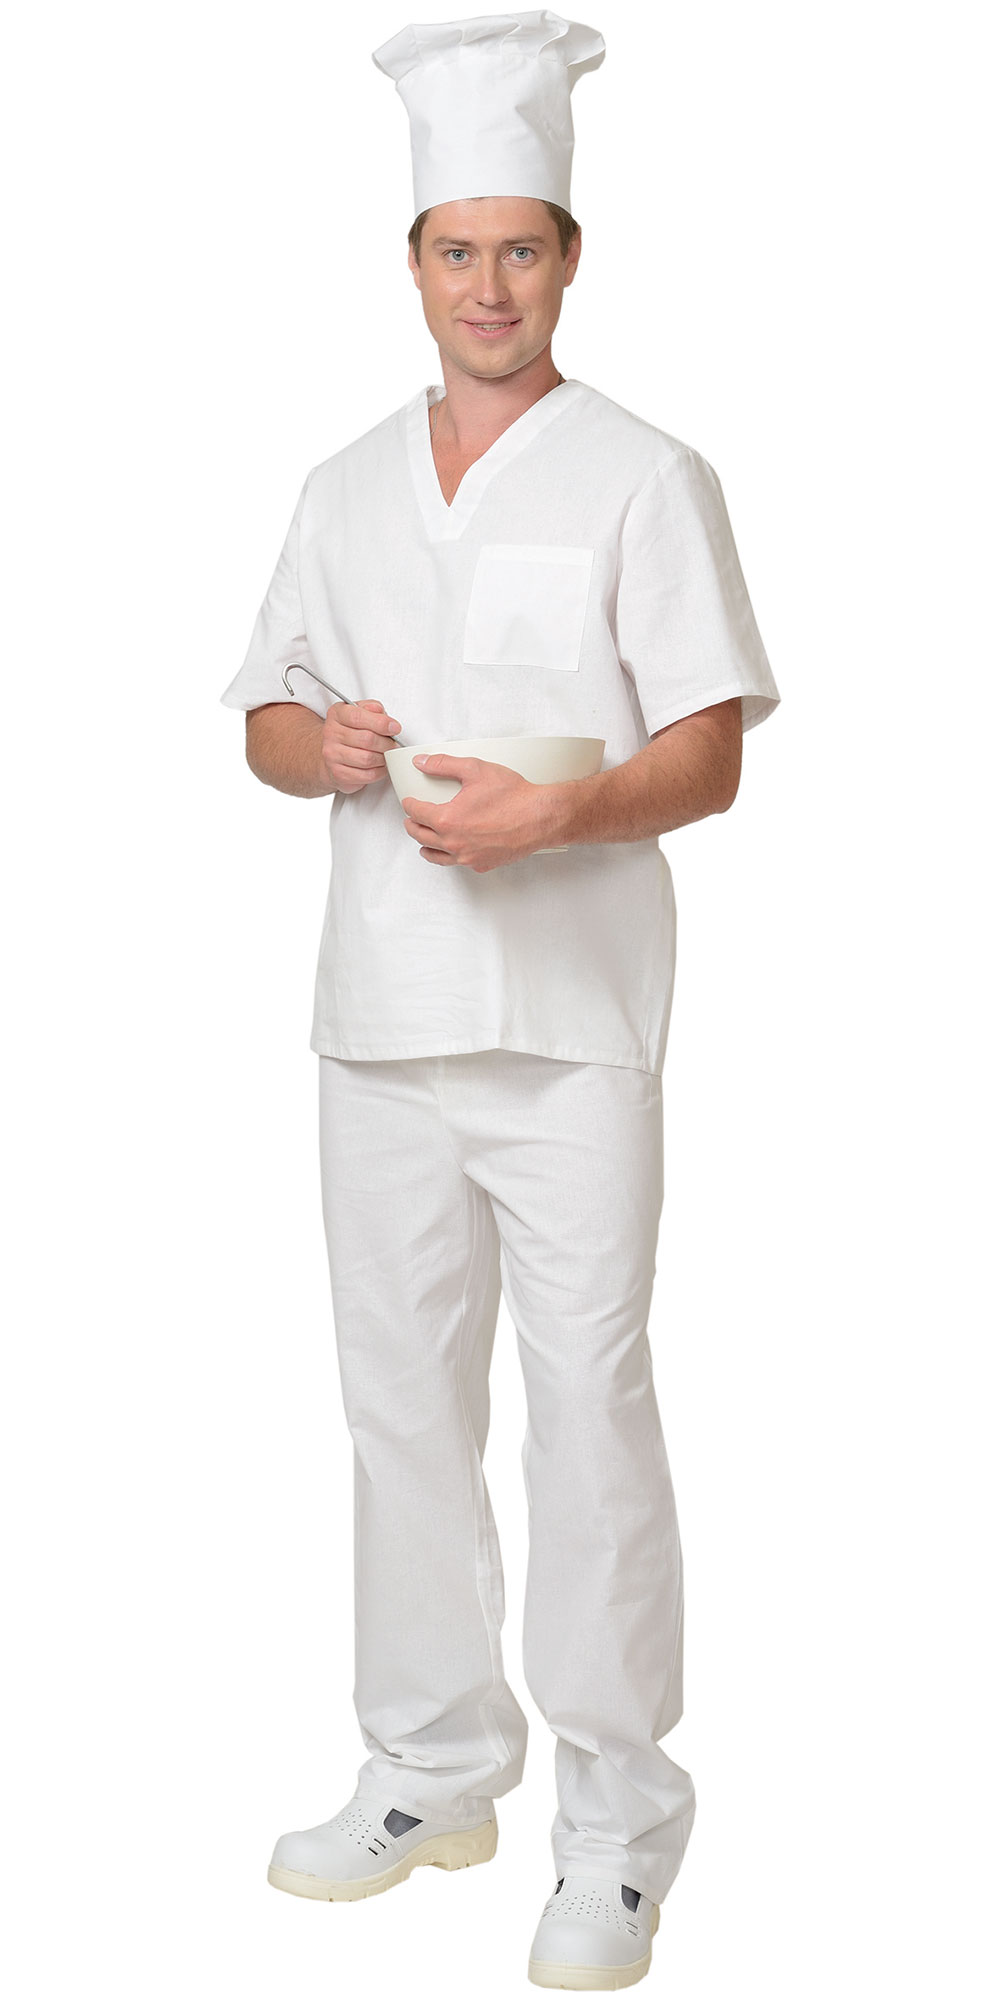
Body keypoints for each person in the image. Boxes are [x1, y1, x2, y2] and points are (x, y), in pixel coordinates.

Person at [220, 12, 780, 1989]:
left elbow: (709, 751)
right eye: (456, 250)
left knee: (585, 1405)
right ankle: (429, 1766)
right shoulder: (342, 486)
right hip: (377, 1026)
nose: (487, 284)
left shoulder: (642, 474)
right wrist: (320, 746)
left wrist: (564, 808)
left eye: (518, 250)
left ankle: (617, 1827)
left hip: (570, 1036)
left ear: (567, 258)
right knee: (394, 1404)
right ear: (411, 263)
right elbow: (265, 720)